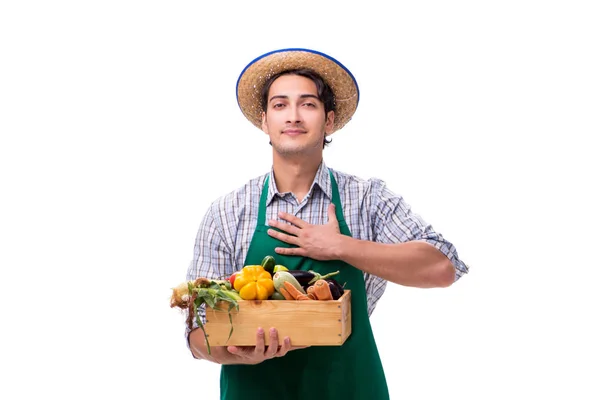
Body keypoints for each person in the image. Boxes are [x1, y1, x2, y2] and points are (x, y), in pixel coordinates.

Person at [183, 48, 469, 399]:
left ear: (329, 120)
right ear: (264, 121)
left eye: (308, 104)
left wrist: (341, 247)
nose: (293, 116)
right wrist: (239, 354)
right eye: (279, 105)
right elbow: (197, 334)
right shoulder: (228, 211)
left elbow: (442, 268)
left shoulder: (367, 199)